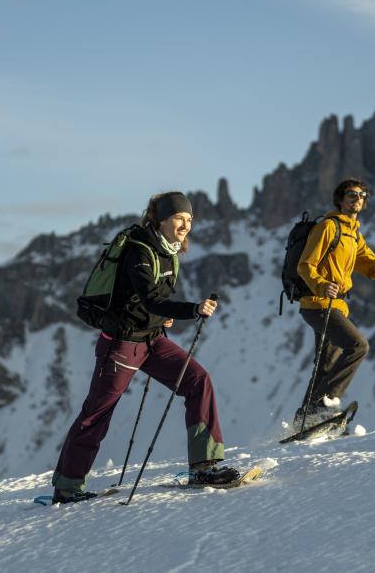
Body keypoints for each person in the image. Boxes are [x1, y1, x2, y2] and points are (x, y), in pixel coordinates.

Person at [51, 191, 237, 503]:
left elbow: (149, 303)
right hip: (122, 345)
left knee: (198, 380)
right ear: (161, 219)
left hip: (152, 341)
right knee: (97, 412)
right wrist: (191, 310)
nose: (185, 225)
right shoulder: (139, 251)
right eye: (179, 218)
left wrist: (162, 319)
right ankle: (67, 487)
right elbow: (151, 298)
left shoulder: (168, 251)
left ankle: (203, 467)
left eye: (189, 219)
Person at [293, 178, 375, 426]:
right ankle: (326, 403)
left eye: (363, 195)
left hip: (336, 305)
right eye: (352, 194)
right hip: (318, 303)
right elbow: (304, 266)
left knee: (325, 365)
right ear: (340, 200)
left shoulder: (353, 235)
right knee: (358, 345)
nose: (358, 198)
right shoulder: (329, 227)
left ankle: (306, 417)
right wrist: (322, 285)